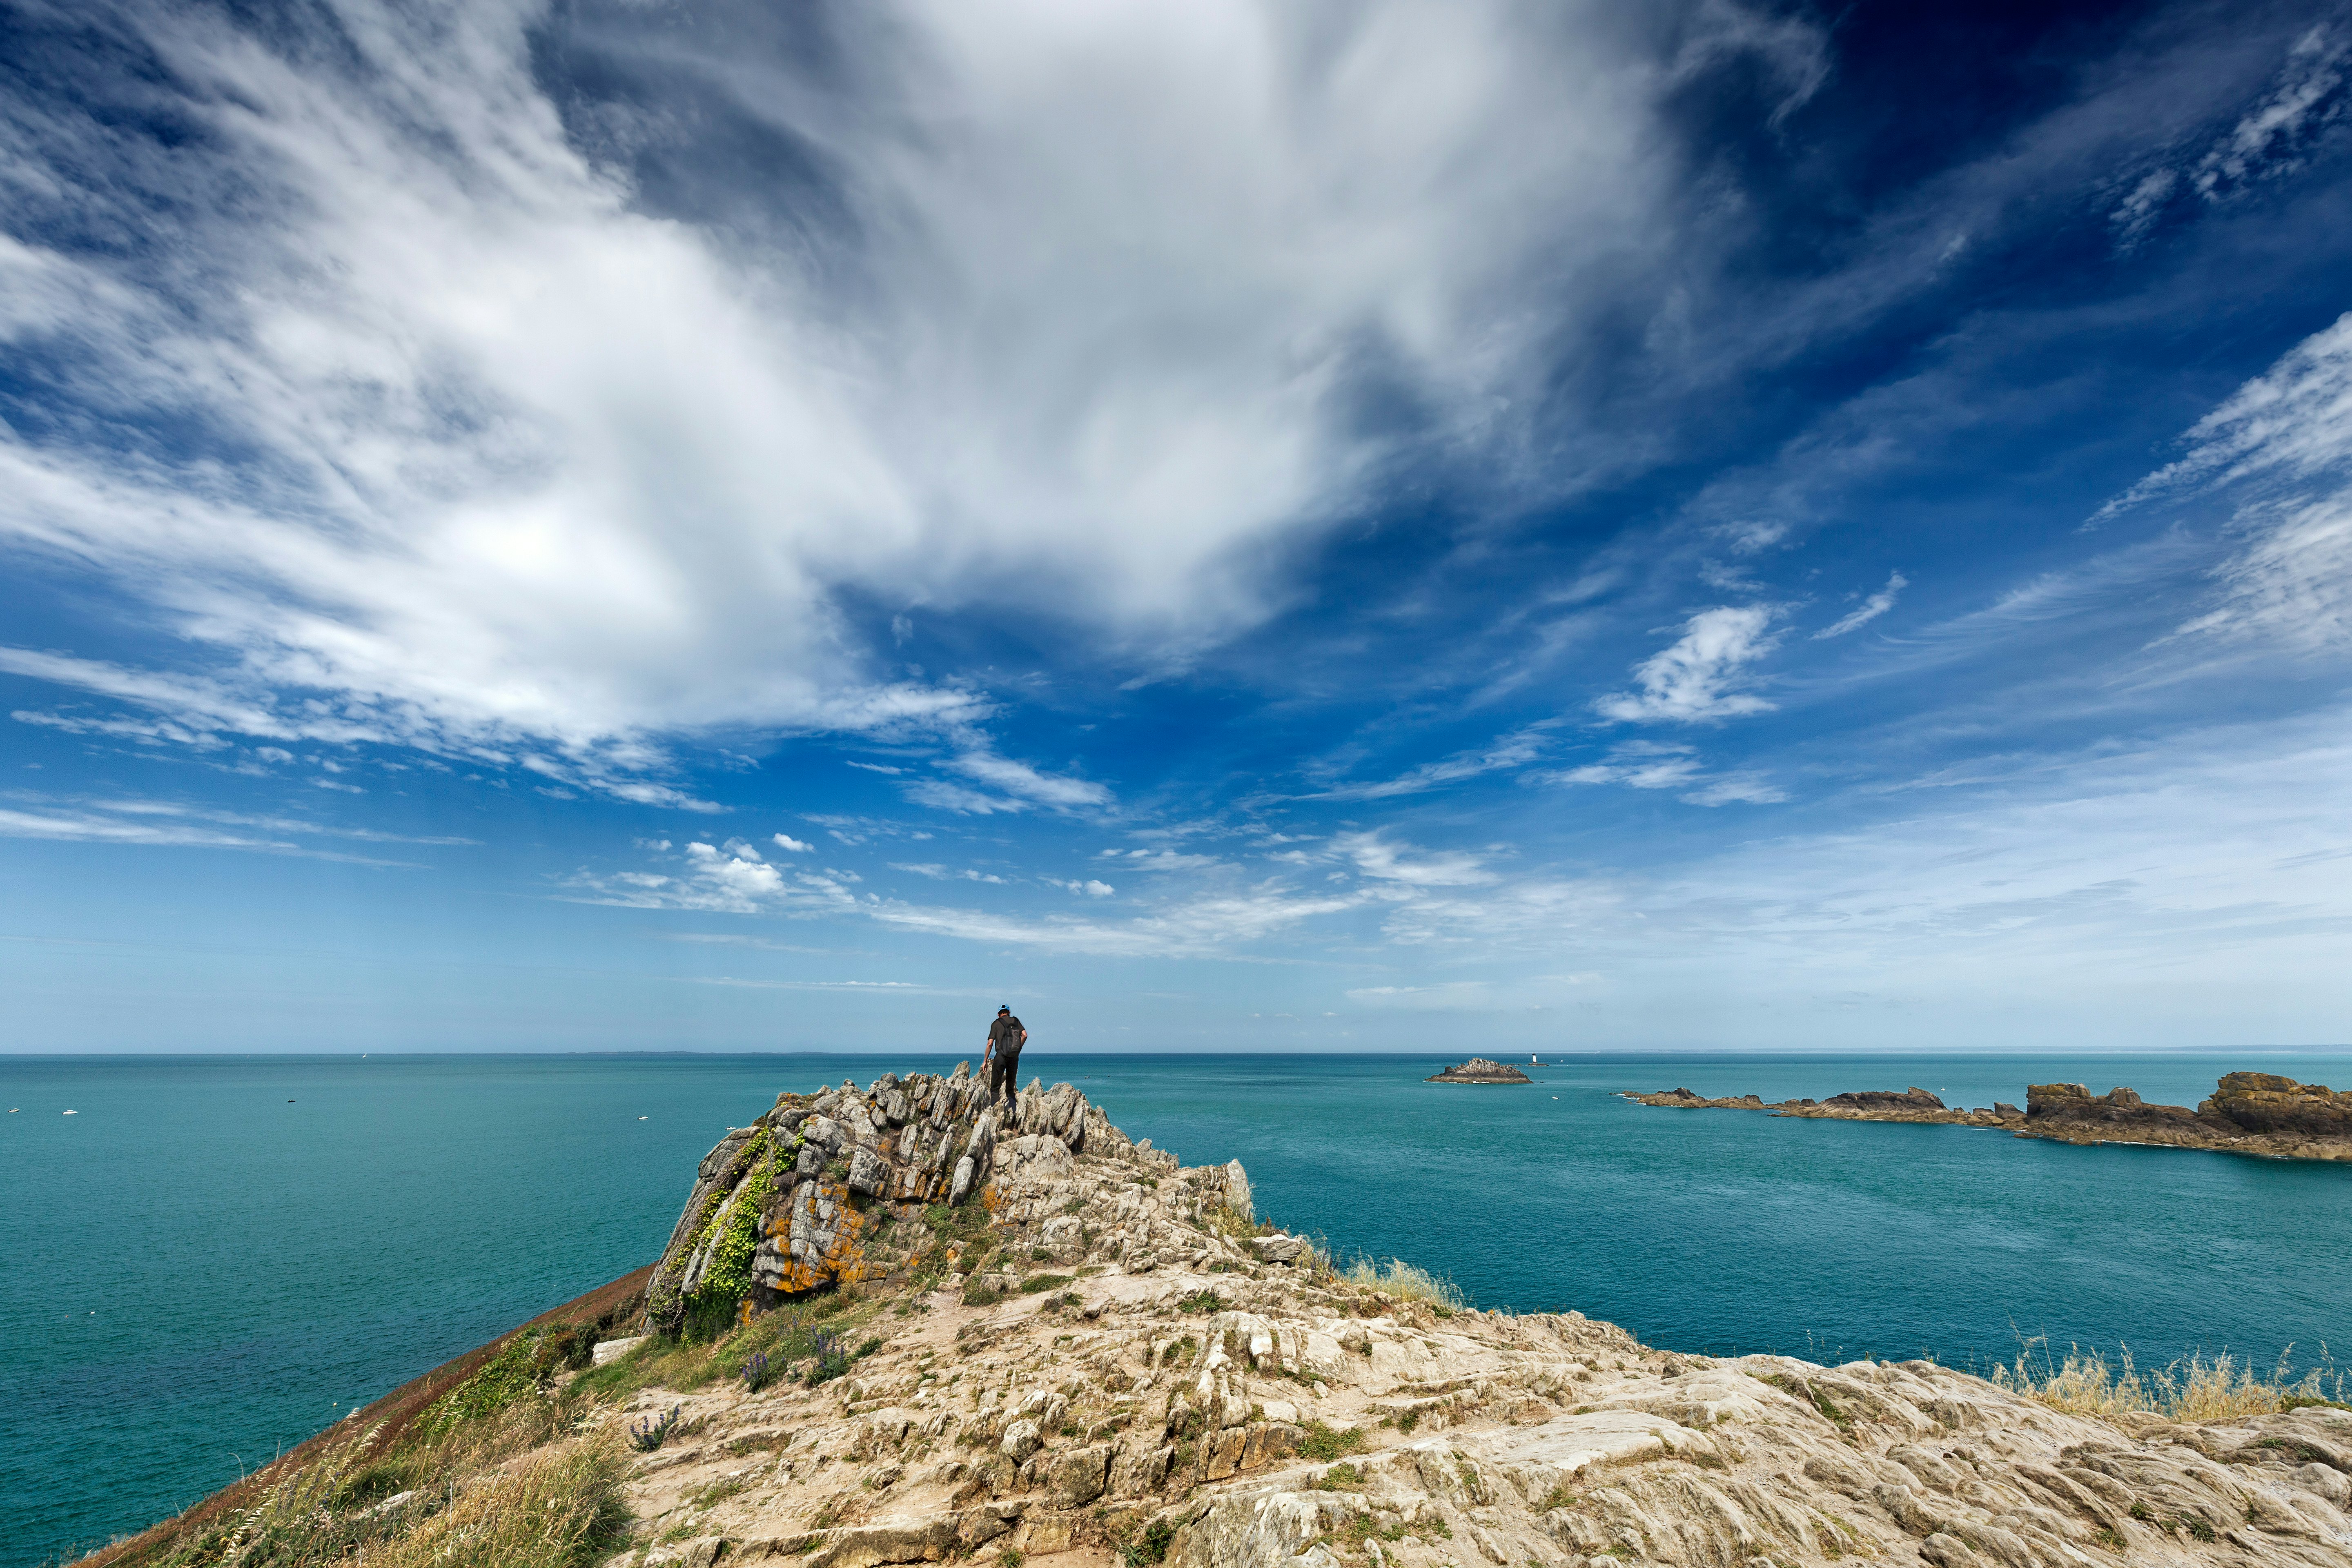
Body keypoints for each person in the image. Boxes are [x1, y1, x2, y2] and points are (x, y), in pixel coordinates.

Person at [983, 1005, 1026, 1102]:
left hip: (1001, 1056)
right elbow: (1025, 1035)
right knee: (1010, 1090)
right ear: (1009, 1012)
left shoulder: (996, 1024)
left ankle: (995, 1112)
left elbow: (990, 1044)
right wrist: (1018, 1048)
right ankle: (1013, 1113)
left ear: (999, 1014)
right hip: (1014, 1057)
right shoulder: (1016, 1021)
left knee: (995, 1088)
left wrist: (985, 1061)